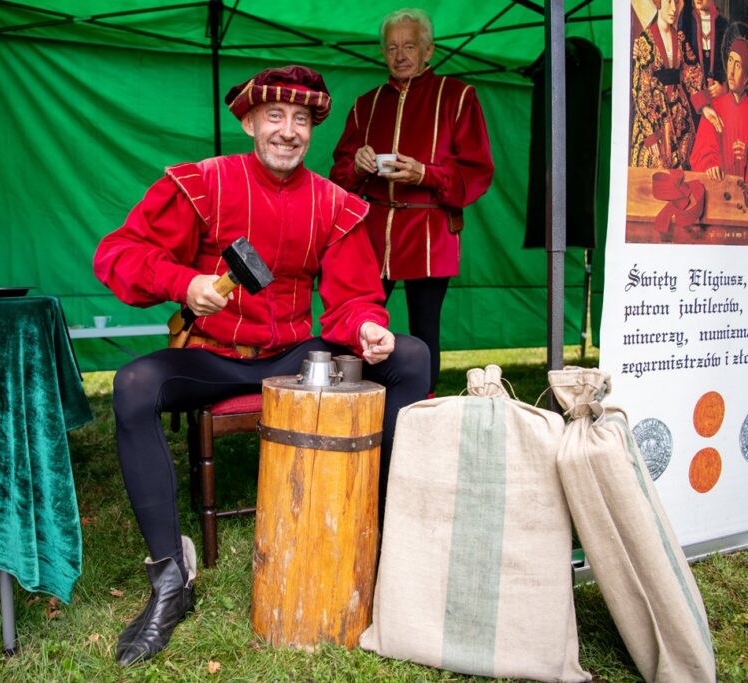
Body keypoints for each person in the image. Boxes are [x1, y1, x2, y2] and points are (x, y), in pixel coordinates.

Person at [93, 64, 429, 665]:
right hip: (213, 358)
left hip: (296, 356)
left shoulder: (335, 203)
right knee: (133, 383)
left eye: (301, 120)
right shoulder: (201, 183)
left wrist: (369, 328)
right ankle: (171, 576)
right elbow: (117, 255)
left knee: (410, 354)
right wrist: (184, 281)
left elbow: (352, 300)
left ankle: (382, 539)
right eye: (274, 116)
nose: (288, 131)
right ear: (249, 121)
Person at [329, 8, 493, 396]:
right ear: (383, 53)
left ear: (428, 51)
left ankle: (424, 405)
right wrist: (358, 165)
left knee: (424, 327)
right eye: (391, 47)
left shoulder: (458, 96)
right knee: (359, 317)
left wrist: (425, 174)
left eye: (409, 46)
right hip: (372, 232)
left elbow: (477, 170)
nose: (400, 55)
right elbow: (338, 175)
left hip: (429, 232)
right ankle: (354, 397)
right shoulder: (365, 105)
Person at [689, 37, 748, 182]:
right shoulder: (713, 109)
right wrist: (710, 164)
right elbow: (700, 154)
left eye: (737, 65)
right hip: (719, 191)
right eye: (730, 61)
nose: (730, 72)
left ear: (746, 78)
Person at [630, 0, 706, 169]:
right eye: (669, 2)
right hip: (654, 116)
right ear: (658, 3)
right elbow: (641, 90)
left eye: (678, 3)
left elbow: (692, 70)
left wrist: (704, 106)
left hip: (679, 114)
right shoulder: (645, 40)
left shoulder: (679, 38)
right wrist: (650, 136)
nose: (674, 9)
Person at [680, 0, 729, 114]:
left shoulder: (723, 24)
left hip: (718, 100)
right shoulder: (686, 22)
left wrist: (725, 88)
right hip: (691, 99)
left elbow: (733, 64)